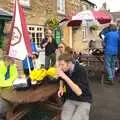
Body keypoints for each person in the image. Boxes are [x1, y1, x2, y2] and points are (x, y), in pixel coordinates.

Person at [57, 53, 92, 120]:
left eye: (62, 64)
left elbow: (79, 92)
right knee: (65, 118)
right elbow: (61, 79)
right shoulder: (65, 69)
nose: (60, 67)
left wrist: (65, 77)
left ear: (69, 63)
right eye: (59, 65)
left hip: (84, 99)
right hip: (70, 98)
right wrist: (61, 88)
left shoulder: (81, 70)